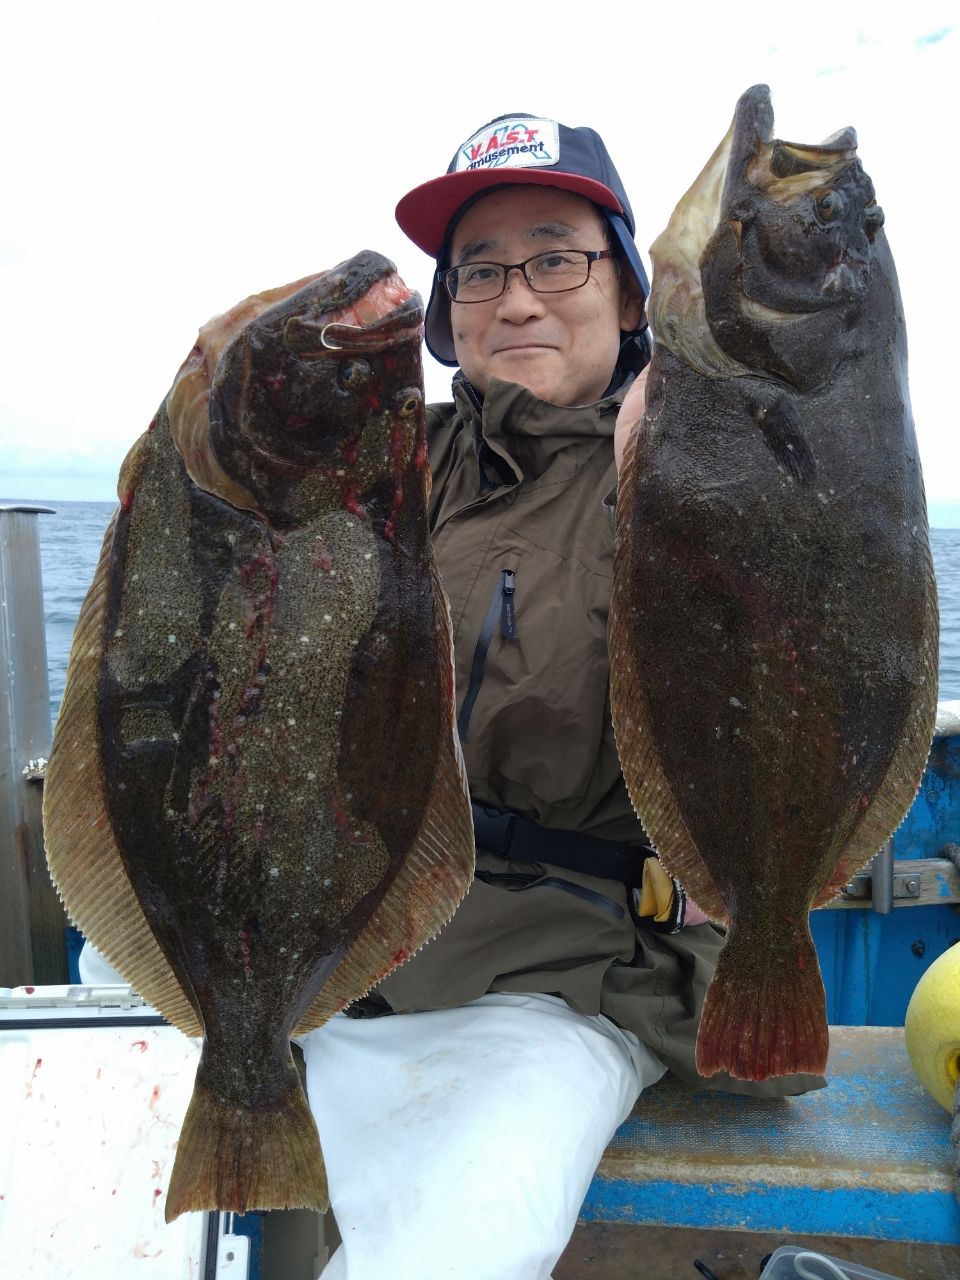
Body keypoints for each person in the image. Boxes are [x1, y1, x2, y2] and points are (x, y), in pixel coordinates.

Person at [81, 112, 822, 1278]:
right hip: (323, 969)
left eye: (556, 255)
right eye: (478, 269)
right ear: (446, 313)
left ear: (633, 293)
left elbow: (787, 687)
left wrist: (694, 484)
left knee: (461, 1240)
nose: (516, 297)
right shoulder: (365, 466)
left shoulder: (694, 474)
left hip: (554, 984)